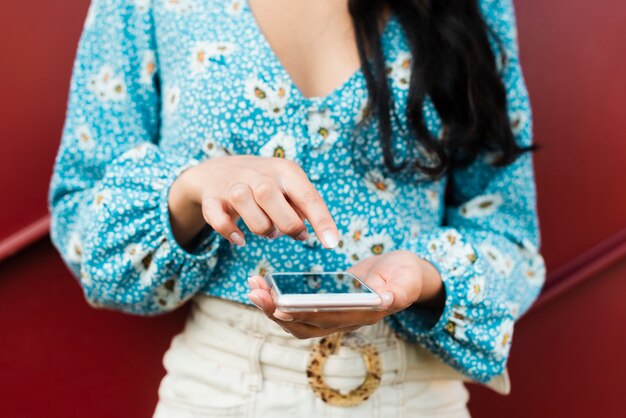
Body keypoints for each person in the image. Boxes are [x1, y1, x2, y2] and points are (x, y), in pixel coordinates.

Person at [48, 0, 546, 416]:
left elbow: (509, 231)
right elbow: (83, 225)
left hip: (414, 394)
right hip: (221, 391)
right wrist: (190, 189)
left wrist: (425, 277)